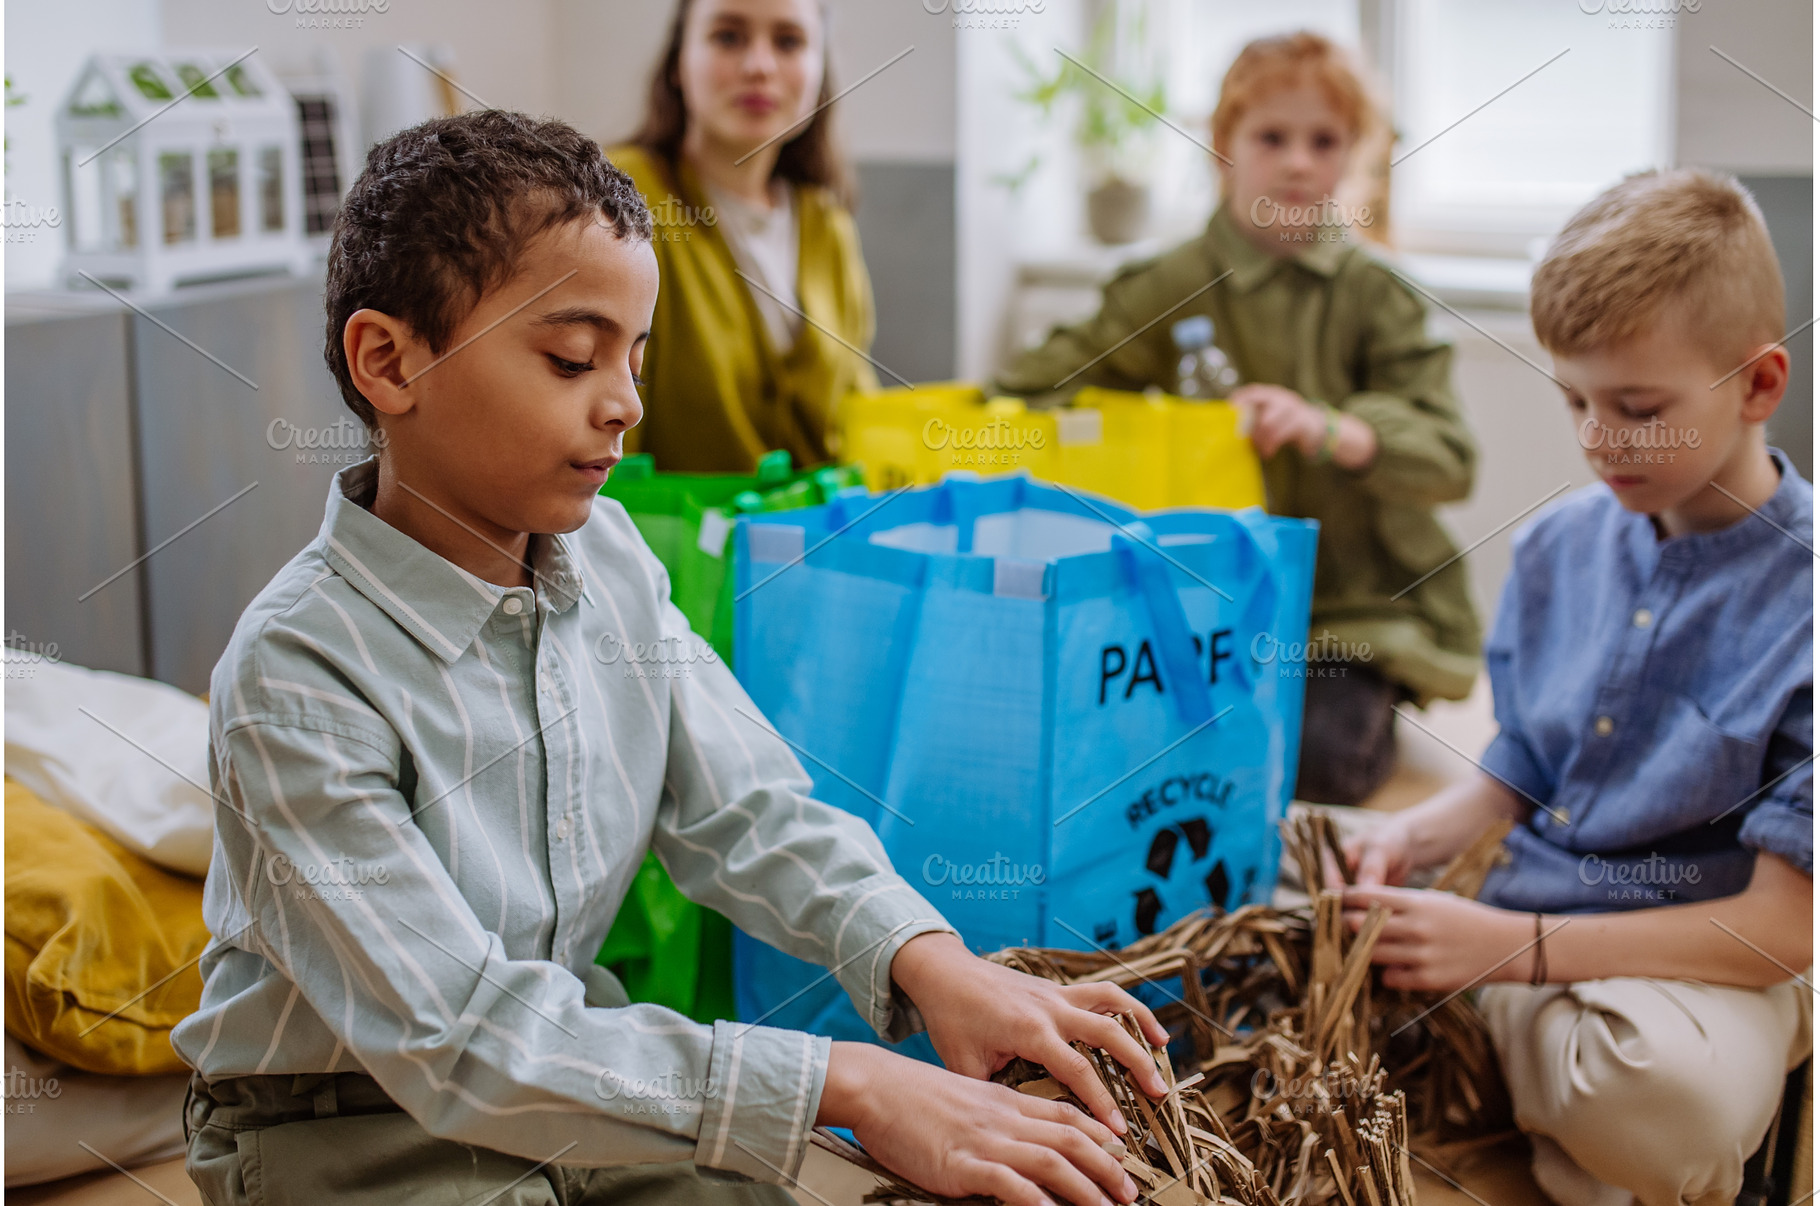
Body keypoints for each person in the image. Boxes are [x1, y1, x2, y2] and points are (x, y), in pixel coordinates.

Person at [173, 110, 1174, 1206]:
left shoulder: (610, 559)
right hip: (345, 1127)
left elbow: (746, 811)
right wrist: (850, 1083)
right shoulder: (297, 675)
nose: (626, 405)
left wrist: (930, 963)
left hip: (572, 1071)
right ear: (390, 360)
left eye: (634, 359)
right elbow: (458, 1037)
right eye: (571, 358)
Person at [1342, 168, 1812, 1206]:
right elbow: (1520, 768)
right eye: (1575, 402)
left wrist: (1510, 951)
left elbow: (1784, 931)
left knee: (1670, 1105)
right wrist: (1412, 839)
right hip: (1521, 905)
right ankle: (1509, 1046)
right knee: (1301, 864)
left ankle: (1487, 1032)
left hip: (1694, 965)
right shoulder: (1558, 544)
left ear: (1757, 385)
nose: (1599, 439)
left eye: (1637, 409)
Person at [994, 32, 1478, 808]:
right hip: (1193, 599)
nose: (1297, 163)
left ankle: (1370, 695)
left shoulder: (1378, 293)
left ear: (1355, 153)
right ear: (1223, 148)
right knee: (1119, 740)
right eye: (1271, 138)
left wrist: (1331, 429)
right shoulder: (1171, 281)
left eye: (1324, 141)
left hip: (1342, 614)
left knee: (1309, 762)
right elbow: (1033, 385)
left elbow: (1451, 459)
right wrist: (1143, 434)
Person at [607, 0, 878, 473]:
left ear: (820, 72)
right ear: (677, 63)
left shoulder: (827, 224)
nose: (759, 66)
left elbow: (858, 417)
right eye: (728, 37)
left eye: (788, 41)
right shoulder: (617, 195)